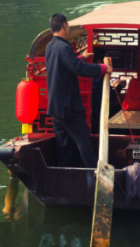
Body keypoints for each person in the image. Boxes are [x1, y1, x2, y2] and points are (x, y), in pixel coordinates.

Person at [45, 13, 111, 167]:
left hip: (55, 108)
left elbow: (67, 64)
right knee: (84, 142)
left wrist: (81, 57)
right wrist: (103, 68)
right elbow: (77, 68)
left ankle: (64, 179)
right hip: (69, 108)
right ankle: (96, 176)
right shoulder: (63, 46)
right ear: (65, 26)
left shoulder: (50, 46)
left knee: (64, 145)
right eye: (67, 25)